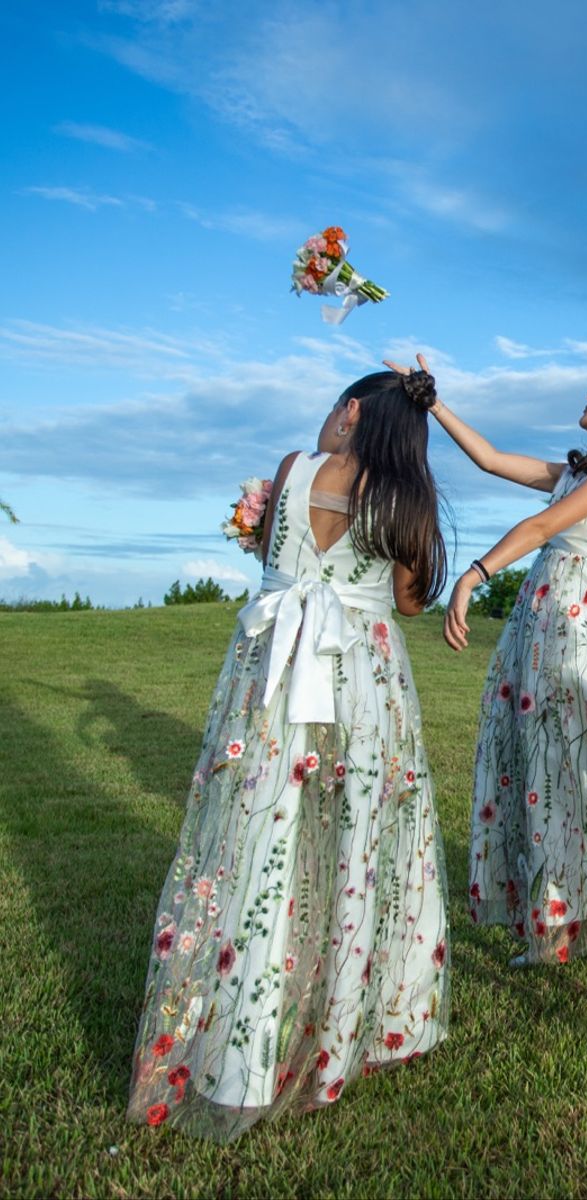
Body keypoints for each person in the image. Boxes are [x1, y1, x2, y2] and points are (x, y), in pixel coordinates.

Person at [127, 368, 451, 1141]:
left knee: (258, 832)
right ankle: (340, 1036)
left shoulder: (291, 470)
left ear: (349, 410)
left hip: (270, 666)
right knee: (357, 842)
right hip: (361, 675)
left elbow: (279, 550)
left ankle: (240, 1037)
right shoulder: (406, 496)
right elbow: (409, 600)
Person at [389, 355, 587, 992]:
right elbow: (492, 460)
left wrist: (474, 573)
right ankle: (558, 929)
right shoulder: (583, 469)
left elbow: (546, 525)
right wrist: (433, 402)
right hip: (549, 617)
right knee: (547, 767)